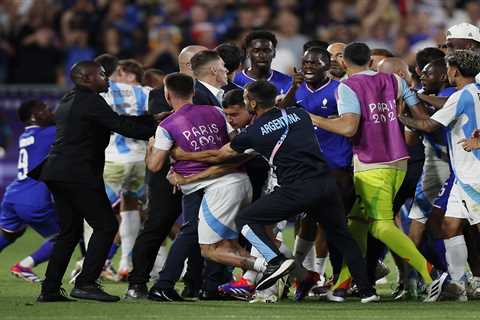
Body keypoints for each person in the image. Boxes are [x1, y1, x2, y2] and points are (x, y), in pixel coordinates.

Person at [174, 80, 379, 303]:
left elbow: (219, 156)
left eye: (245, 100)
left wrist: (183, 156)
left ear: (252, 103)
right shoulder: (298, 114)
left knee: (247, 219)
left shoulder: (252, 133)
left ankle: (274, 261)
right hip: (325, 184)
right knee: (343, 237)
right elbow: (285, 109)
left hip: (295, 189)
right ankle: (368, 292)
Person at [309, 42, 448, 303]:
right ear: (370, 62)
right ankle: (344, 283)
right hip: (399, 161)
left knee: (381, 225)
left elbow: (349, 128)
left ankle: (431, 273)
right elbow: (420, 116)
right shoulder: (394, 81)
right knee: (358, 222)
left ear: (343, 63)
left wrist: (312, 118)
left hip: (372, 163)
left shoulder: (347, 87)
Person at [32, 61, 158, 303]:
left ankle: (49, 289)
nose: (107, 78)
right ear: (87, 78)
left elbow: (116, 120)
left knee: (68, 233)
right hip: (77, 173)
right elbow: (121, 125)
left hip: (57, 171)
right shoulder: (90, 101)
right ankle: (86, 283)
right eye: (102, 74)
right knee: (106, 226)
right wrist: (158, 127)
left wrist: (148, 124)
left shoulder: (70, 98)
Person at [145, 73, 261, 302]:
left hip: (210, 185)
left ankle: (266, 267)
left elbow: (155, 165)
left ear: (168, 95)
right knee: (223, 241)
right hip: (234, 180)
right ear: (194, 92)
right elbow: (234, 145)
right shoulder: (217, 112)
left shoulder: (167, 125)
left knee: (204, 243)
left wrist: (151, 147)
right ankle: (210, 286)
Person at [126, 45, 213, 301]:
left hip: (200, 173)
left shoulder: (208, 95)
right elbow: (163, 125)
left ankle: (193, 284)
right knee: (157, 225)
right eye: (201, 60)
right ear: (187, 65)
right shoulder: (158, 94)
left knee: (198, 229)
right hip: (167, 173)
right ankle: (137, 283)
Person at [399, 49, 480, 299]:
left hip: (474, 172)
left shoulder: (462, 95)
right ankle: (457, 284)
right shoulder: (474, 91)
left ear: (454, 70)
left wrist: (397, 116)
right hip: (461, 173)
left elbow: (428, 125)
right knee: (448, 225)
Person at [101, 59, 152, 280]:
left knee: (98, 212)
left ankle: (91, 264)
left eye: (120, 72)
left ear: (128, 74)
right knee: (132, 206)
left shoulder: (107, 91)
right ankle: (125, 262)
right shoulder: (148, 93)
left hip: (114, 160)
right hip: (141, 159)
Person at [0, 100, 58, 283]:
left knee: (10, 234)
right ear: (34, 116)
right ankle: (25, 265)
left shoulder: (26, 135)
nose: (51, 111)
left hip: (13, 195)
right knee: (66, 236)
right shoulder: (48, 133)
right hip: (33, 198)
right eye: (45, 109)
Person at [233, 30, 292, 94]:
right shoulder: (235, 81)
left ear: (274, 53)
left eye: (266, 51)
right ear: (247, 53)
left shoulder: (287, 82)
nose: (261, 55)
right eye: (256, 51)